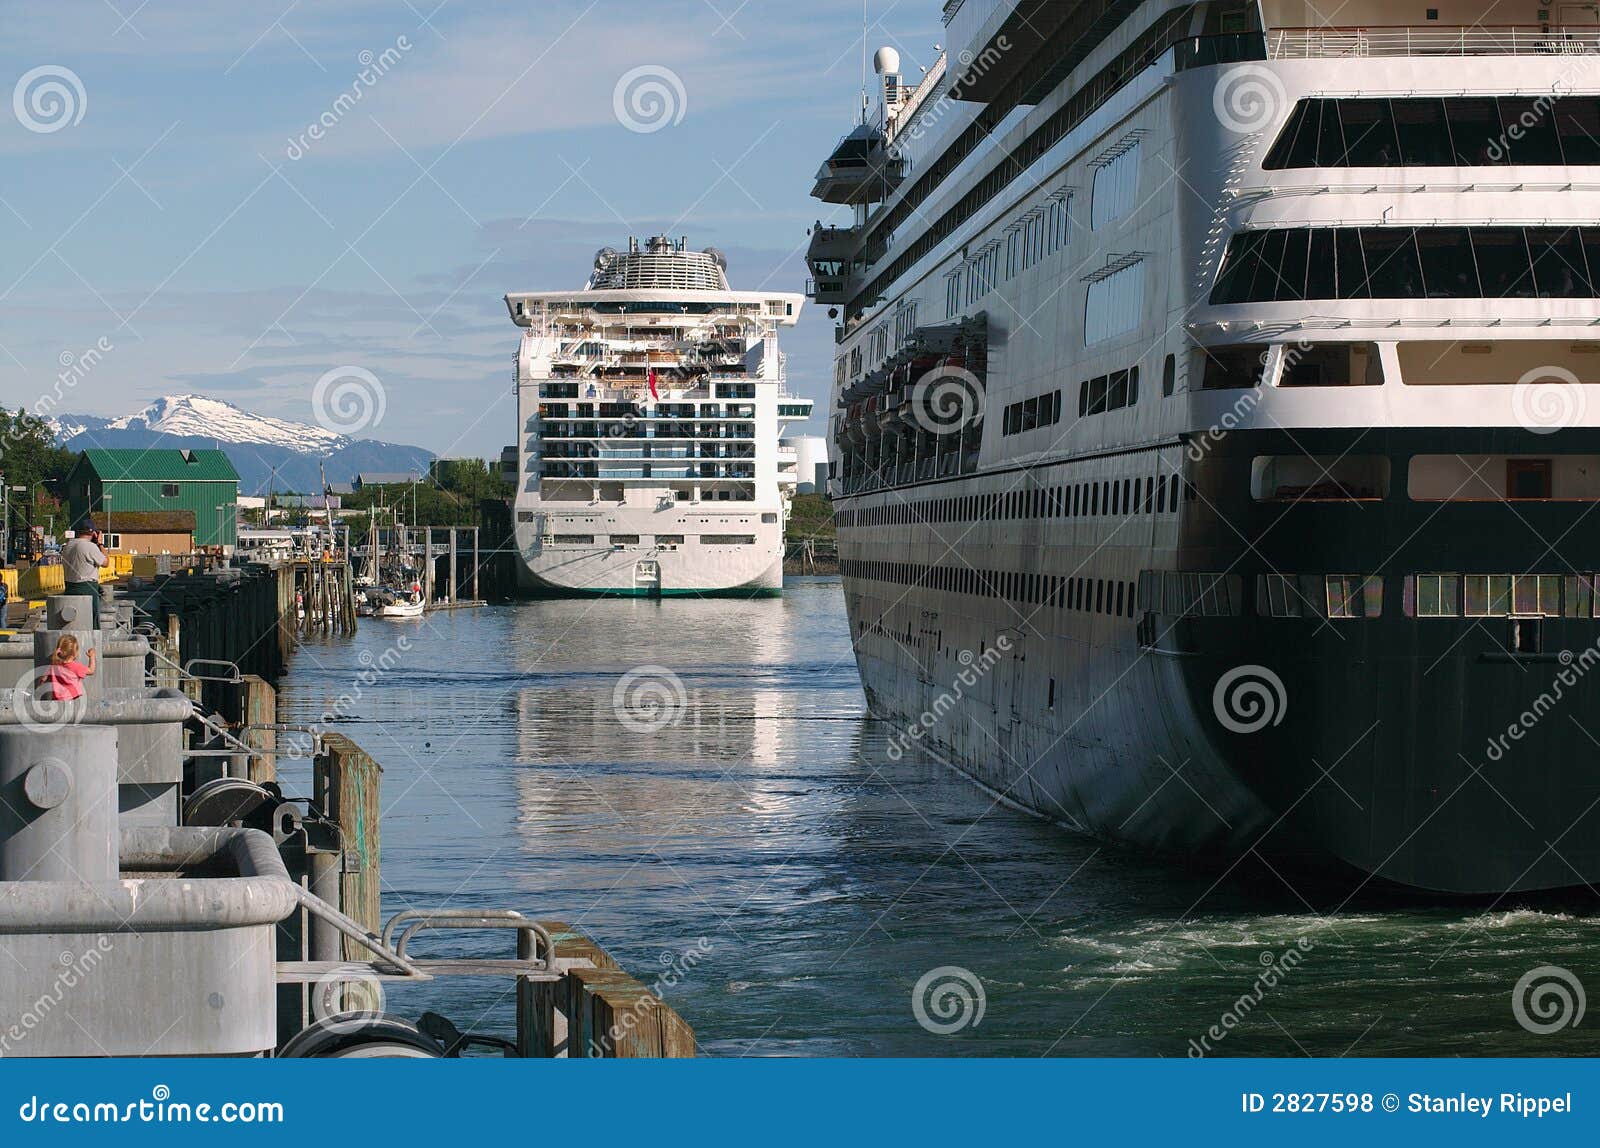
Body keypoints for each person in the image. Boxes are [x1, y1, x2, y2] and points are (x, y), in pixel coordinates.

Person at [60, 525, 108, 628]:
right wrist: (100, 544)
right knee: (91, 620)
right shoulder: (90, 546)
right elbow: (106, 562)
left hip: (69, 588)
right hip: (87, 588)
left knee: (73, 621)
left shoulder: (68, 545)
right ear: (94, 534)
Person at [43, 634, 94, 702]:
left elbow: (43, 679)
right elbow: (91, 671)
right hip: (72, 699)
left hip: (56, 700)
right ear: (75, 653)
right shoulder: (76, 667)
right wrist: (92, 657)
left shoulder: (54, 666)